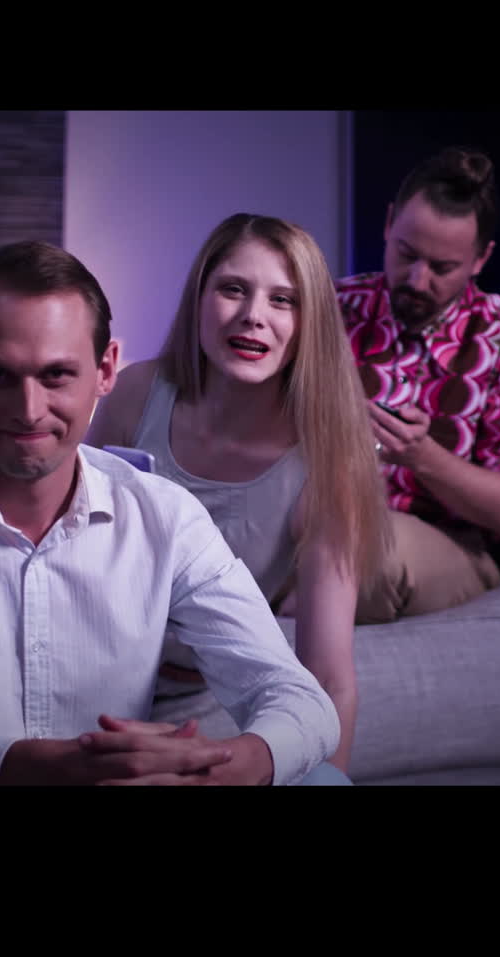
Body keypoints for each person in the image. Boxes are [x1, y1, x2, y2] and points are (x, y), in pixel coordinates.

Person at [0, 241, 340, 786]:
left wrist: (222, 772)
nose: (29, 411)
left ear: (106, 370)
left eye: (56, 375)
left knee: (322, 782)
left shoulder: (166, 518)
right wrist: (32, 767)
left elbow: (301, 701)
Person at [88, 213, 388, 779]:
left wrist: (326, 778)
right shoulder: (133, 394)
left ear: (309, 323)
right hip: (93, 672)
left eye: (283, 300)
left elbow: (327, 677)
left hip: (212, 697)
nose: (254, 315)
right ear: (199, 299)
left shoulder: (328, 460)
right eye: (233, 289)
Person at [336, 146, 500, 624]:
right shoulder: (331, 309)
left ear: (481, 259)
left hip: (446, 545)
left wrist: (422, 456)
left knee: (367, 556)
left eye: (442, 268)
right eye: (406, 254)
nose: (417, 281)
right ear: (388, 224)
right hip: (314, 524)